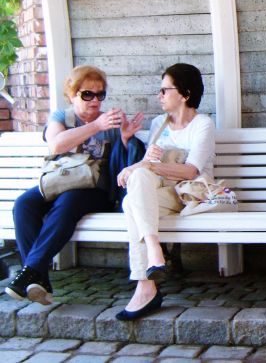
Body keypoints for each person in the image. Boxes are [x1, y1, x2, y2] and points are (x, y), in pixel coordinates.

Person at [6, 65, 144, 304]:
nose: (95, 100)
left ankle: (29, 272)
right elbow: (56, 145)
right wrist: (96, 126)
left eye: (100, 94)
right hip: (60, 182)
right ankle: (37, 279)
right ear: (72, 95)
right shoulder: (62, 117)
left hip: (95, 190)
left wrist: (124, 137)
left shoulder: (111, 122)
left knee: (68, 202)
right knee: (24, 204)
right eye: (87, 94)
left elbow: (121, 164)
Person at [115, 63, 215, 321]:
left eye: (164, 90)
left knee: (131, 205)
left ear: (185, 94)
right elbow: (148, 168)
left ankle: (146, 283)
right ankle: (153, 257)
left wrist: (148, 166)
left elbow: (191, 171)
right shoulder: (159, 123)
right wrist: (141, 164)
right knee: (137, 184)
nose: (159, 96)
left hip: (186, 194)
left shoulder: (203, 124)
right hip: (157, 192)